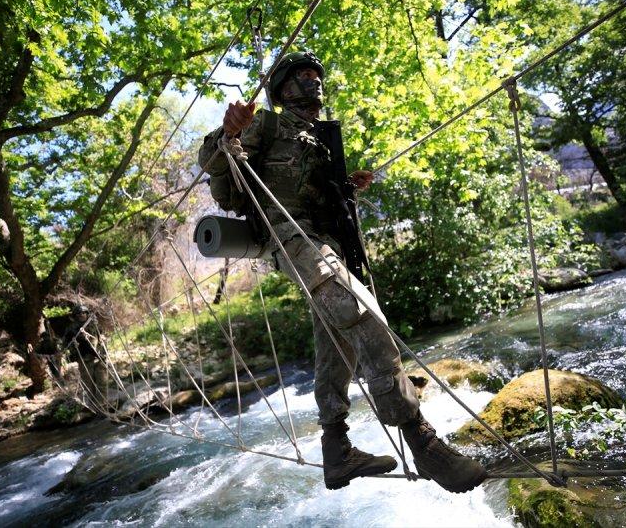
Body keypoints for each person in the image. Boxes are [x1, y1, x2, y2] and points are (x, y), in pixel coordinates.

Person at [198, 52, 487, 493]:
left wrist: (346, 185)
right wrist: (228, 131)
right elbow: (218, 168)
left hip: (325, 239)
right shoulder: (267, 125)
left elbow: (312, 191)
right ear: (283, 88)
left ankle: (337, 450)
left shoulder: (321, 138)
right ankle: (421, 442)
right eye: (302, 77)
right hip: (289, 236)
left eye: (316, 76)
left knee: (336, 340)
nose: (313, 83)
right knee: (360, 311)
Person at [63, 304, 109, 412]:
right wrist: (72, 344)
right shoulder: (71, 329)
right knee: (89, 385)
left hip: (98, 357)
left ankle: (103, 406)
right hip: (84, 360)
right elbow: (65, 344)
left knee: (102, 382)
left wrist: (103, 350)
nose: (82, 315)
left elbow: (101, 337)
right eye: (79, 313)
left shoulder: (94, 325)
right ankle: (93, 407)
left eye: (84, 313)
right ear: (75, 316)